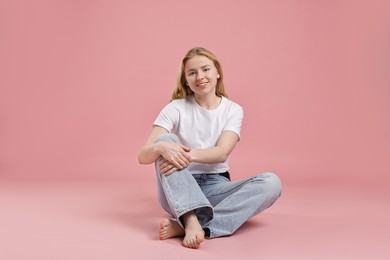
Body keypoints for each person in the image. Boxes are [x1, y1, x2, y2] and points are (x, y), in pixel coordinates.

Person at [138, 47, 282, 249]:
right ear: (186, 80)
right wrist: (162, 147)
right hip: (178, 185)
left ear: (217, 72)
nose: (200, 77)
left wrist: (185, 154)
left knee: (271, 183)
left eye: (205, 69)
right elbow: (143, 156)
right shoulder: (175, 107)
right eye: (192, 73)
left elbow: (222, 153)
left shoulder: (232, 109)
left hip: (216, 186)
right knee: (167, 139)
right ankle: (189, 219)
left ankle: (195, 226)